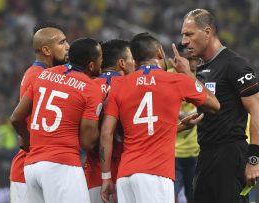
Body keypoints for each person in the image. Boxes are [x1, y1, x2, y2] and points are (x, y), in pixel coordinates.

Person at [99, 32, 220, 203]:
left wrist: (106, 177)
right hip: (156, 173)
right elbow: (214, 104)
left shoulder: (119, 84)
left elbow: (106, 133)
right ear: (159, 53)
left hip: (125, 176)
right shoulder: (175, 80)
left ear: (134, 58)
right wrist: (186, 71)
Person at [174, 8, 259, 203]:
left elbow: (258, 113)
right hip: (206, 155)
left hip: (230, 155)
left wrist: (253, 160)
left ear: (207, 32)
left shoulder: (235, 64)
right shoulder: (202, 68)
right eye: (183, 35)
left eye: (189, 34)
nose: (184, 41)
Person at [10, 37, 104, 203]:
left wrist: (29, 140)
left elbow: (16, 117)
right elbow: (87, 143)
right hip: (61, 165)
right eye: (100, 58)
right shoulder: (91, 89)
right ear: (91, 65)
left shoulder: (45, 75)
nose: (102, 63)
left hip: (32, 167)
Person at [9, 22, 69, 203]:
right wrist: (30, 142)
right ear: (46, 49)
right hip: (29, 165)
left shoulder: (41, 73)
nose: (68, 47)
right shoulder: (38, 75)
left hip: (36, 163)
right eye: (62, 42)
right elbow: (19, 119)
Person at [85, 39, 135, 203]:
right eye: (131, 58)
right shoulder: (132, 86)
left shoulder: (88, 86)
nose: (135, 62)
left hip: (94, 175)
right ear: (122, 63)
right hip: (127, 174)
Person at [170, 43, 202, 203]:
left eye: (195, 59)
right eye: (189, 59)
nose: (193, 63)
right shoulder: (168, 77)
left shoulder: (203, 76)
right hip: (172, 151)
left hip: (195, 150)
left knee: (194, 195)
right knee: (170, 195)